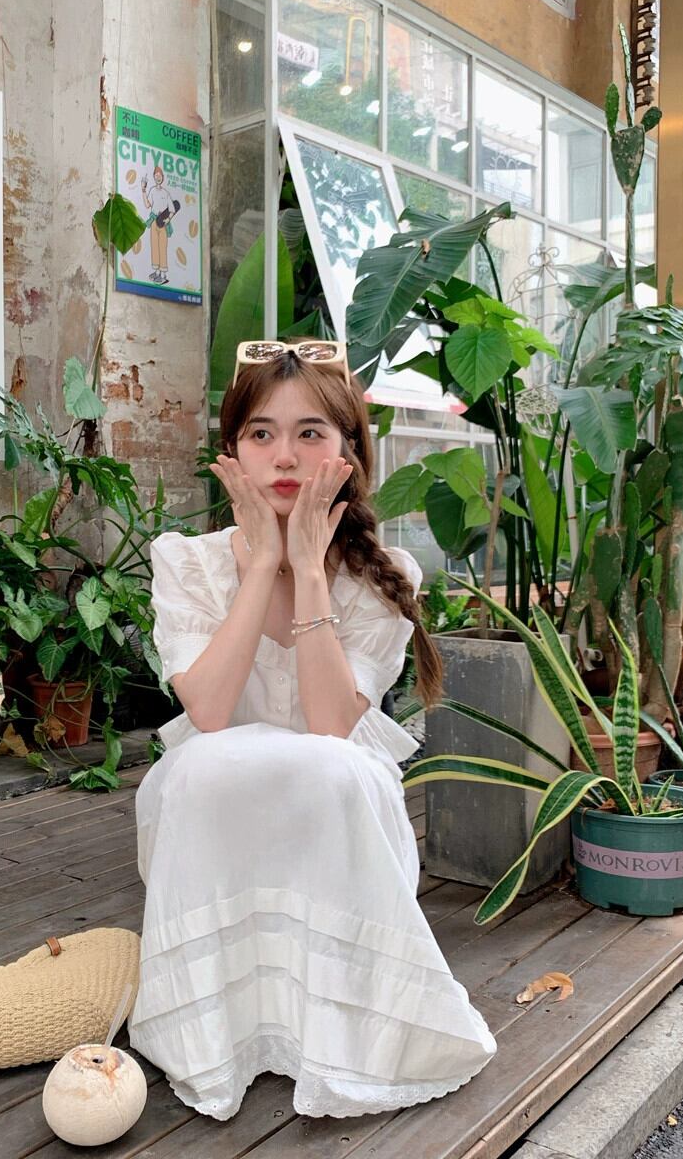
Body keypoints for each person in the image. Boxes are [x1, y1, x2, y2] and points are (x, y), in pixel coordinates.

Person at [126, 341, 496, 1121]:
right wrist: (264, 563)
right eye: (261, 434)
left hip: (334, 794)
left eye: (310, 433)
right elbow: (211, 715)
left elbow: (330, 727)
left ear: (347, 453)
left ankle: (339, 1030)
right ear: (232, 452)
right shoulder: (186, 562)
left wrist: (309, 564)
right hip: (218, 792)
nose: (284, 456)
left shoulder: (384, 574)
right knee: (204, 764)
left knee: (328, 769)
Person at [141, 166, 179, 285]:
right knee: (154, 247)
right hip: (154, 221)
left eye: (160, 176)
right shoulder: (152, 191)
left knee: (162, 247)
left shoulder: (165, 193)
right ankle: (157, 272)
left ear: (163, 177)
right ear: (154, 177)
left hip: (163, 223)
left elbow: (172, 209)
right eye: (156, 176)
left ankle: (163, 275)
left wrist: (168, 219)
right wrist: (143, 190)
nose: (158, 178)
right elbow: (147, 205)